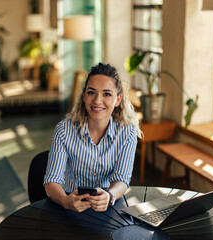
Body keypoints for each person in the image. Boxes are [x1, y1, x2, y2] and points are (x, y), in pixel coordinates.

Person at [43, 62, 142, 212]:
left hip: (108, 205)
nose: (97, 100)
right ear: (84, 95)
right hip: (69, 204)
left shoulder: (127, 132)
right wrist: (65, 201)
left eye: (107, 94)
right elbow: (51, 181)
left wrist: (109, 196)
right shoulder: (64, 130)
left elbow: (122, 179)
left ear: (118, 99)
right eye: (91, 92)